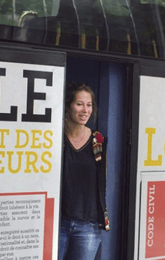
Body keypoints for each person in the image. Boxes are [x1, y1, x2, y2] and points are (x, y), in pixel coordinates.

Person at [58, 82, 109, 260]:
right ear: (67, 106)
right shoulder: (54, 136)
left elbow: (102, 183)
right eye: (79, 104)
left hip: (88, 224)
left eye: (89, 105)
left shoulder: (99, 141)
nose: (85, 110)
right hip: (56, 221)